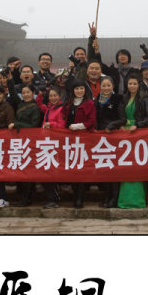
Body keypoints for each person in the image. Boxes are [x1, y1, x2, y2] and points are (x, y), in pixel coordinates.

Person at [117, 74, 148, 209]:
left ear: (139, 85)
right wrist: (120, 125)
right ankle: (124, 199)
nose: (132, 86)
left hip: (138, 133)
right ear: (127, 85)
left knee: (137, 164)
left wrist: (137, 125)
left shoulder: (144, 98)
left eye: (135, 84)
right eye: (130, 84)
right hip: (124, 134)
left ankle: (138, 198)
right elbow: (120, 115)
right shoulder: (123, 99)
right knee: (125, 165)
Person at [95, 76, 126, 208]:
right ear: (100, 87)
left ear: (113, 86)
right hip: (101, 139)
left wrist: (111, 126)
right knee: (104, 170)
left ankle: (114, 198)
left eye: (108, 85)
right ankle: (106, 197)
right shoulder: (97, 100)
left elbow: (123, 119)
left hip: (113, 136)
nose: (106, 88)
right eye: (104, 86)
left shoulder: (118, 99)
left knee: (114, 169)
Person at [65, 79, 97, 209]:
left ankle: (80, 198)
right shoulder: (68, 103)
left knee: (81, 168)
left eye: (81, 88)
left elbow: (91, 121)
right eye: (77, 89)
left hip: (84, 140)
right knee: (72, 167)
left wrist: (77, 126)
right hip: (69, 141)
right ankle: (74, 195)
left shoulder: (89, 103)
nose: (79, 91)